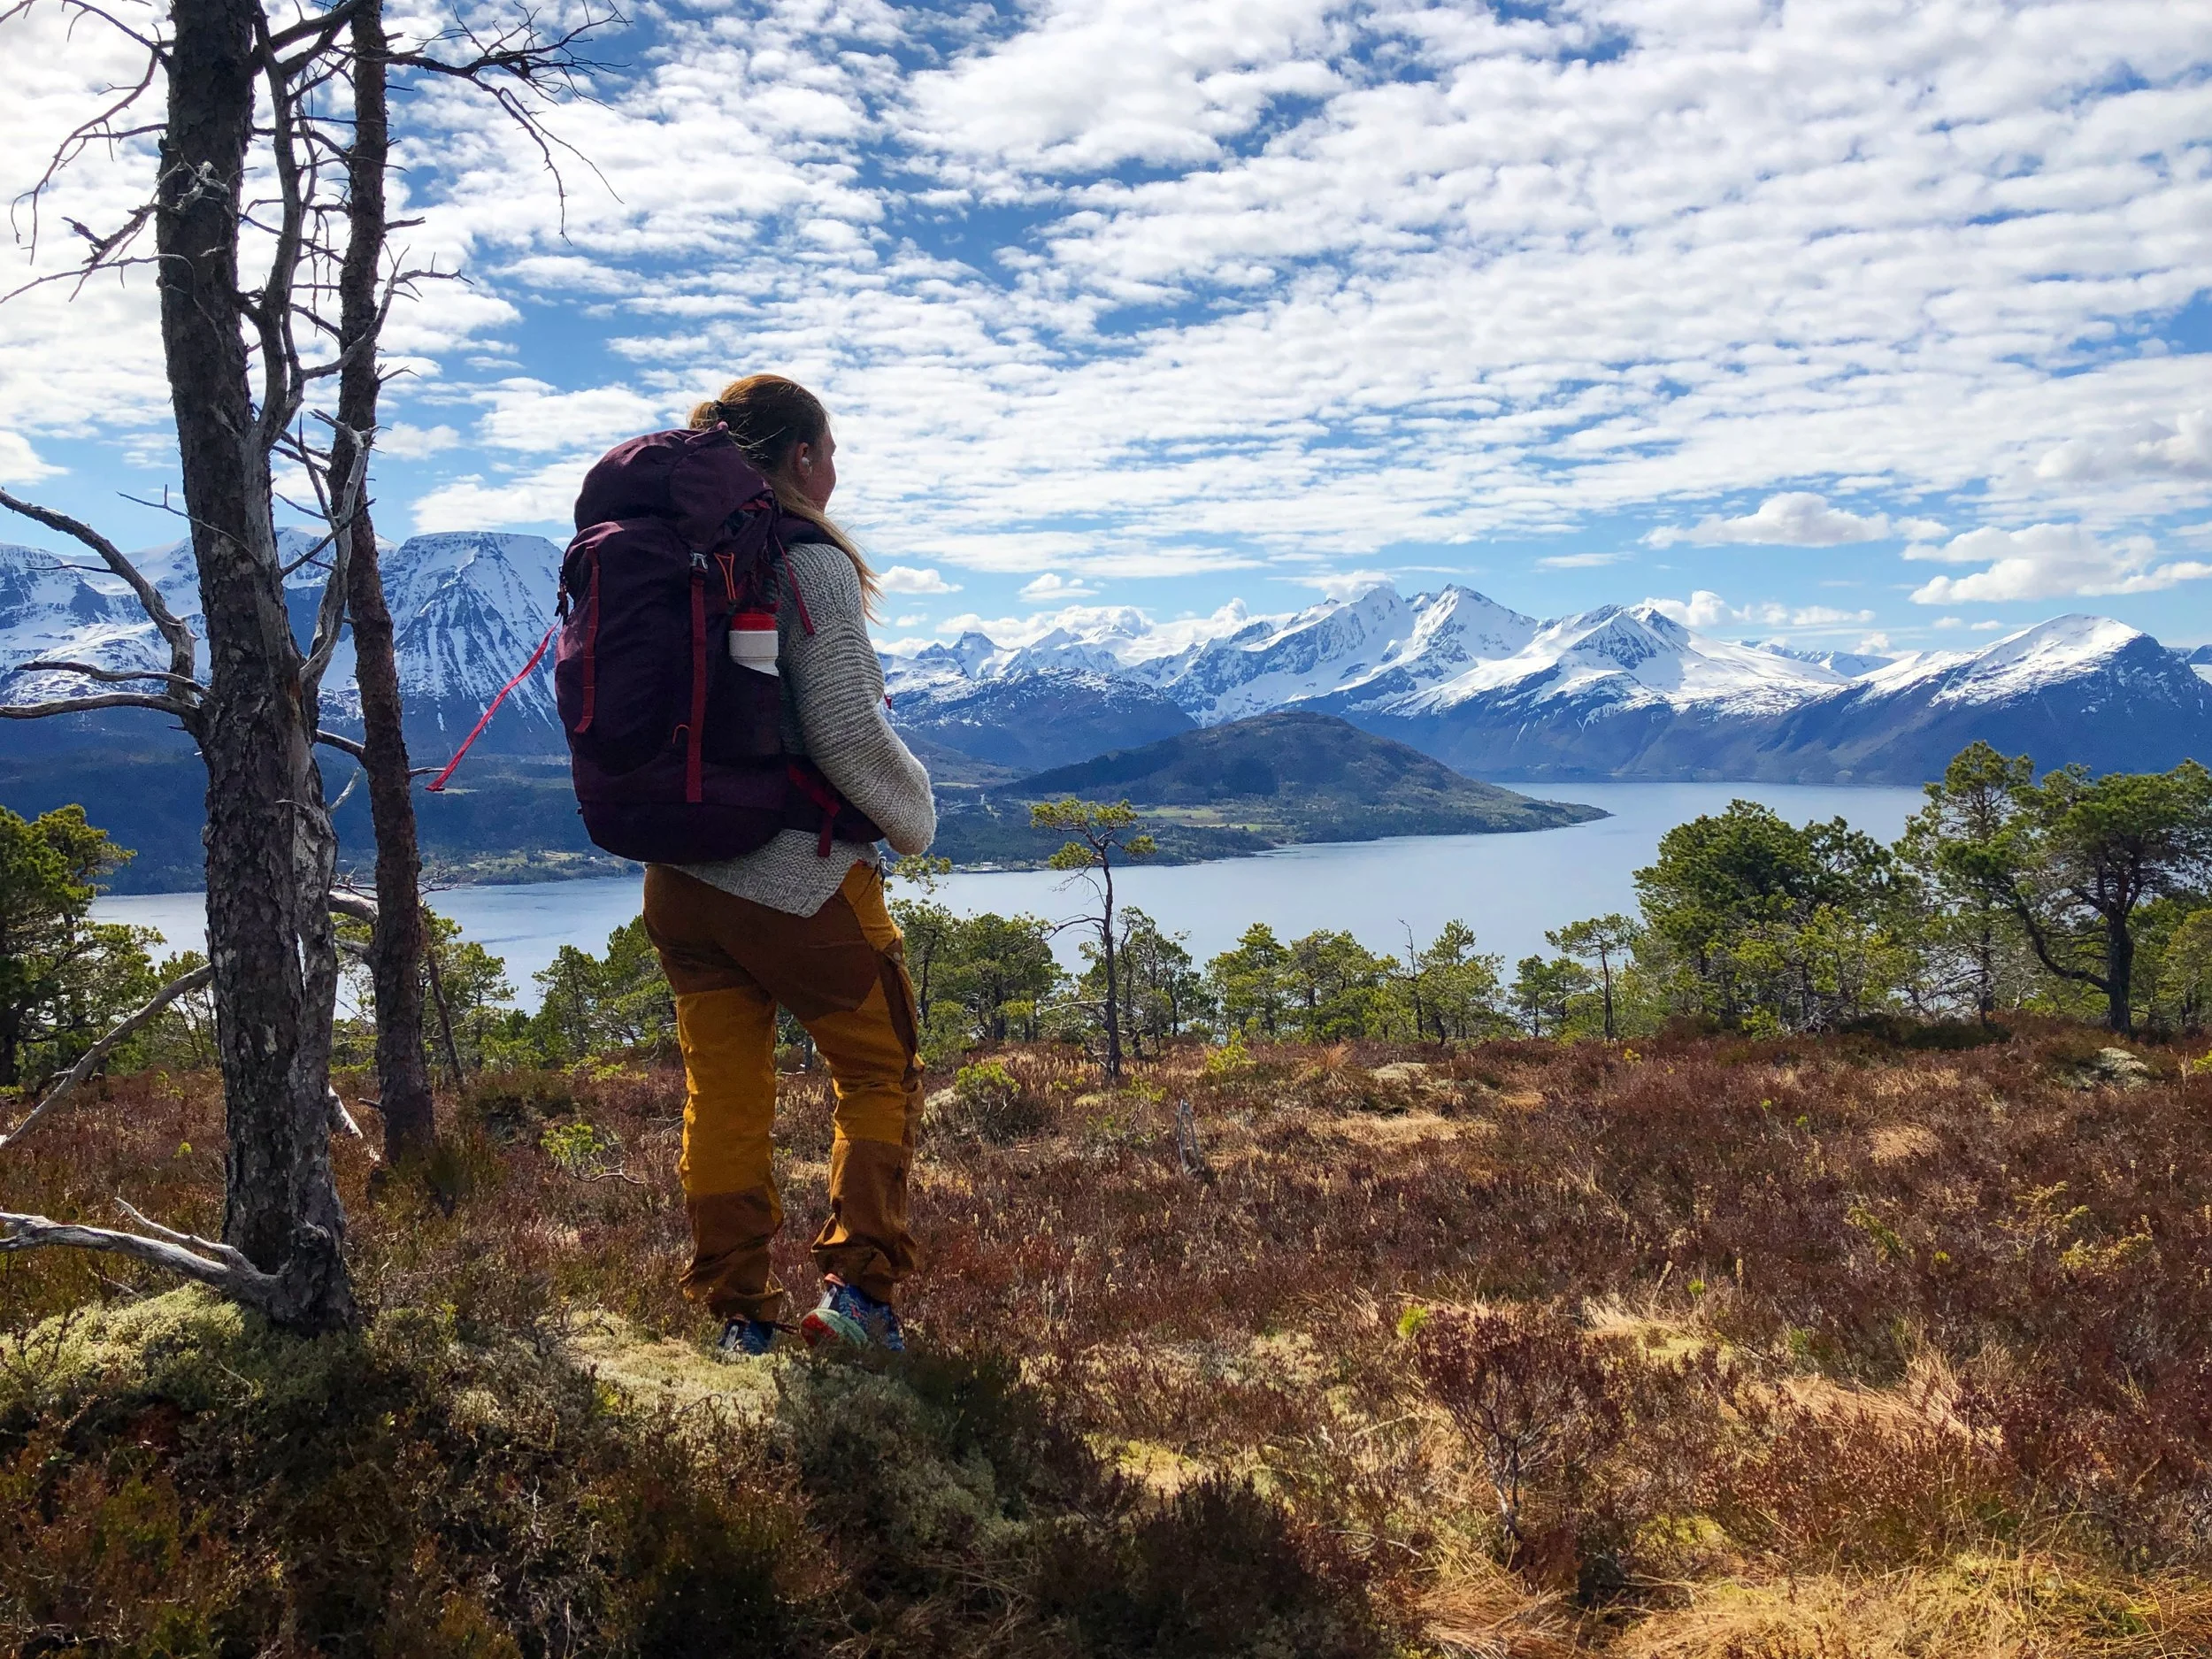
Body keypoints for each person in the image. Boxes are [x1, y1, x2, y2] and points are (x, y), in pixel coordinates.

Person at [639, 373, 936, 1358]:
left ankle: (740, 1318)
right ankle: (860, 1302)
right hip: (797, 882)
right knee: (878, 1069)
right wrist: (916, 820)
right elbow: (848, 734)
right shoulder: (803, 563)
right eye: (830, 448)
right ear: (799, 457)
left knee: (721, 1091)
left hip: (680, 882)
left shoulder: (655, 560)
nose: (837, 468)